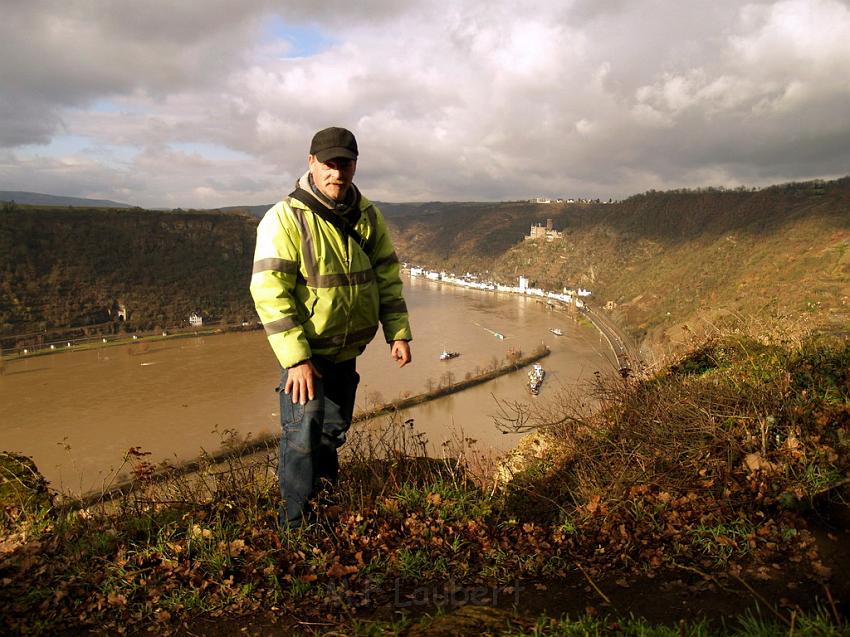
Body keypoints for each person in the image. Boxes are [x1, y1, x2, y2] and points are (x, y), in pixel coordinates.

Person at [250, 126, 412, 527]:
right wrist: (297, 360)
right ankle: (297, 528)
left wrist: (398, 332)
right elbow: (269, 292)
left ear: (356, 165)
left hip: (347, 353)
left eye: (346, 163)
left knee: (331, 433)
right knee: (302, 438)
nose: (338, 173)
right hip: (308, 356)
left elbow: (387, 277)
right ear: (312, 163)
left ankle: (325, 510)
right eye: (330, 164)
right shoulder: (285, 219)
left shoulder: (368, 216)